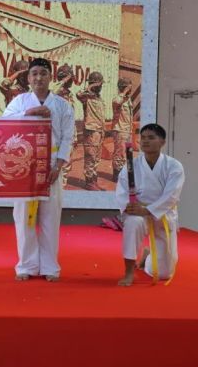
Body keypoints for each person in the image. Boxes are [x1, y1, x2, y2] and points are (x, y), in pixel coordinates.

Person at [3, 58, 75, 282]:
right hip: (24, 165)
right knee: (23, 217)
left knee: (50, 218)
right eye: (34, 73)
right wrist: (30, 113)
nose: (39, 78)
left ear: (50, 77)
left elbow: (67, 138)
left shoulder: (62, 105)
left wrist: (59, 165)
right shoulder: (20, 101)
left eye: (43, 73)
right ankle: (26, 265)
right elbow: (5, 124)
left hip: (51, 165)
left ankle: (50, 267)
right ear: (28, 77)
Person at [115, 123, 185, 286]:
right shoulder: (132, 165)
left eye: (151, 138)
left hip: (162, 213)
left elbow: (172, 195)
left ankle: (147, 257)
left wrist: (147, 210)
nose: (145, 141)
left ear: (162, 142)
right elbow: (122, 190)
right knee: (132, 223)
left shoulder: (173, 166)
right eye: (143, 138)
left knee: (164, 273)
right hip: (138, 212)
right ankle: (129, 272)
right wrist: (130, 207)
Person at [76, 71, 106, 191]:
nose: (101, 86)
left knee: (97, 158)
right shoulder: (86, 97)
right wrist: (91, 86)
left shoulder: (99, 98)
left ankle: (93, 181)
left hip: (99, 131)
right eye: (100, 84)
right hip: (91, 132)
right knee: (90, 157)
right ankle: (89, 182)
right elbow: (78, 94)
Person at [111, 77, 134, 182]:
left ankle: (126, 175)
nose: (130, 90)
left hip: (127, 131)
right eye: (129, 88)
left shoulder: (127, 99)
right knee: (119, 154)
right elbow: (117, 102)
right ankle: (117, 175)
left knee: (128, 154)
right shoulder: (117, 98)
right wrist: (124, 92)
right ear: (124, 88)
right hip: (120, 131)